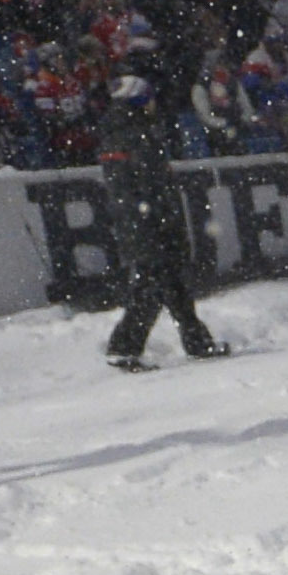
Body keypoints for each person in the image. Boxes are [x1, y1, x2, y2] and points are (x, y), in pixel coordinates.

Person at [96, 62, 226, 371]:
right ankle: (123, 348)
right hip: (147, 225)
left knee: (175, 286)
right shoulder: (132, 136)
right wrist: (157, 218)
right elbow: (142, 186)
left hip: (149, 222)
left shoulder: (128, 133)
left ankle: (197, 341)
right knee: (150, 288)